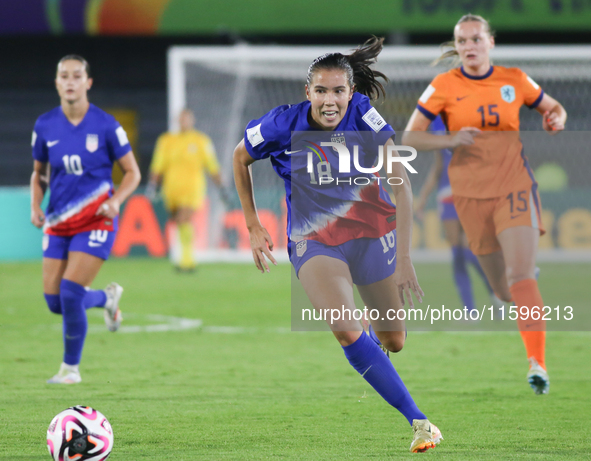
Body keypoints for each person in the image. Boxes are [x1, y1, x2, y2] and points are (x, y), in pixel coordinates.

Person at [233, 37, 443, 453]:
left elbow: (401, 188)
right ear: (306, 91)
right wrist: (253, 224)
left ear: (352, 93)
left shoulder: (364, 115)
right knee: (347, 330)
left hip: (369, 235)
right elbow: (240, 158)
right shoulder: (281, 124)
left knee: (394, 340)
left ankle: (371, 332)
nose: (330, 101)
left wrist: (403, 260)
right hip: (314, 242)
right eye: (322, 91)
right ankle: (420, 422)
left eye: (339, 91)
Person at [402, 14, 567, 395]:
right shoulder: (443, 86)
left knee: (521, 277)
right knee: (506, 291)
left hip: (515, 187)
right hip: (470, 199)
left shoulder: (514, 79)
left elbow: (554, 107)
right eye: (462, 41)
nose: (469, 46)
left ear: (491, 41)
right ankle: (517, 289)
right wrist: (450, 139)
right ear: (456, 46)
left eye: (476, 39)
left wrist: (554, 118)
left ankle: (536, 363)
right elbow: (410, 137)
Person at [30, 55, 141, 384]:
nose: (70, 81)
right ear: (56, 83)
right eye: (63, 76)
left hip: (96, 219)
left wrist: (118, 200)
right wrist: (36, 205)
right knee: (54, 302)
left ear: (87, 82)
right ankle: (105, 298)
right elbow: (39, 175)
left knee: (69, 292)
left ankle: (70, 370)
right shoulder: (44, 125)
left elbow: (133, 173)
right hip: (58, 220)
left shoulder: (107, 125)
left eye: (76, 76)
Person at [414, 115, 498, 313]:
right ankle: (474, 308)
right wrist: (423, 197)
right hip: (446, 190)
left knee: (465, 248)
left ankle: (493, 290)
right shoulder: (435, 122)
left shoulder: (470, 115)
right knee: (458, 251)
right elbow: (439, 164)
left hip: (469, 189)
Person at [146, 109, 227, 272]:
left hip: (192, 189)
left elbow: (212, 166)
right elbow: (157, 165)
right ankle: (186, 258)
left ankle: (187, 261)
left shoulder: (201, 141)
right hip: (171, 190)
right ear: (178, 121)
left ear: (192, 121)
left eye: (187, 119)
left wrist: (222, 187)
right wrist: (152, 186)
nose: (184, 122)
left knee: (184, 219)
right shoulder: (166, 141)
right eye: (181, 119)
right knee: (178, 222)